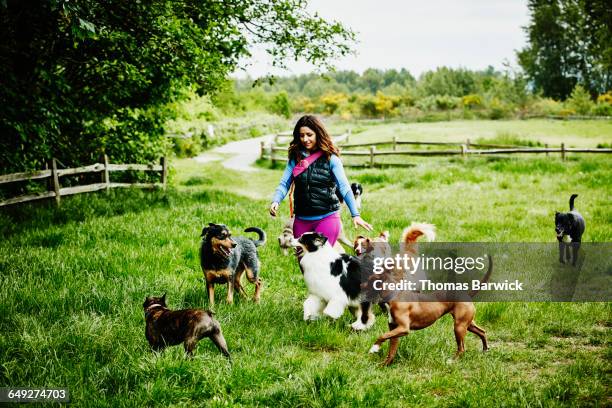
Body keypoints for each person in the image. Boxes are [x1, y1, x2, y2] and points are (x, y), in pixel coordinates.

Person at [269, 115, 372, 246]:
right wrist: (276, 200)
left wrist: (355, 214)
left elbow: (344, 187)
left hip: (327, 218)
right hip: (301, 219)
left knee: (319, 260)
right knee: (303, 263)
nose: (305, 139)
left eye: (309, 135)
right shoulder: (295, 159)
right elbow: (284, 184)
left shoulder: (331, 158)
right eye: (301, 135)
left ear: (318, 133)